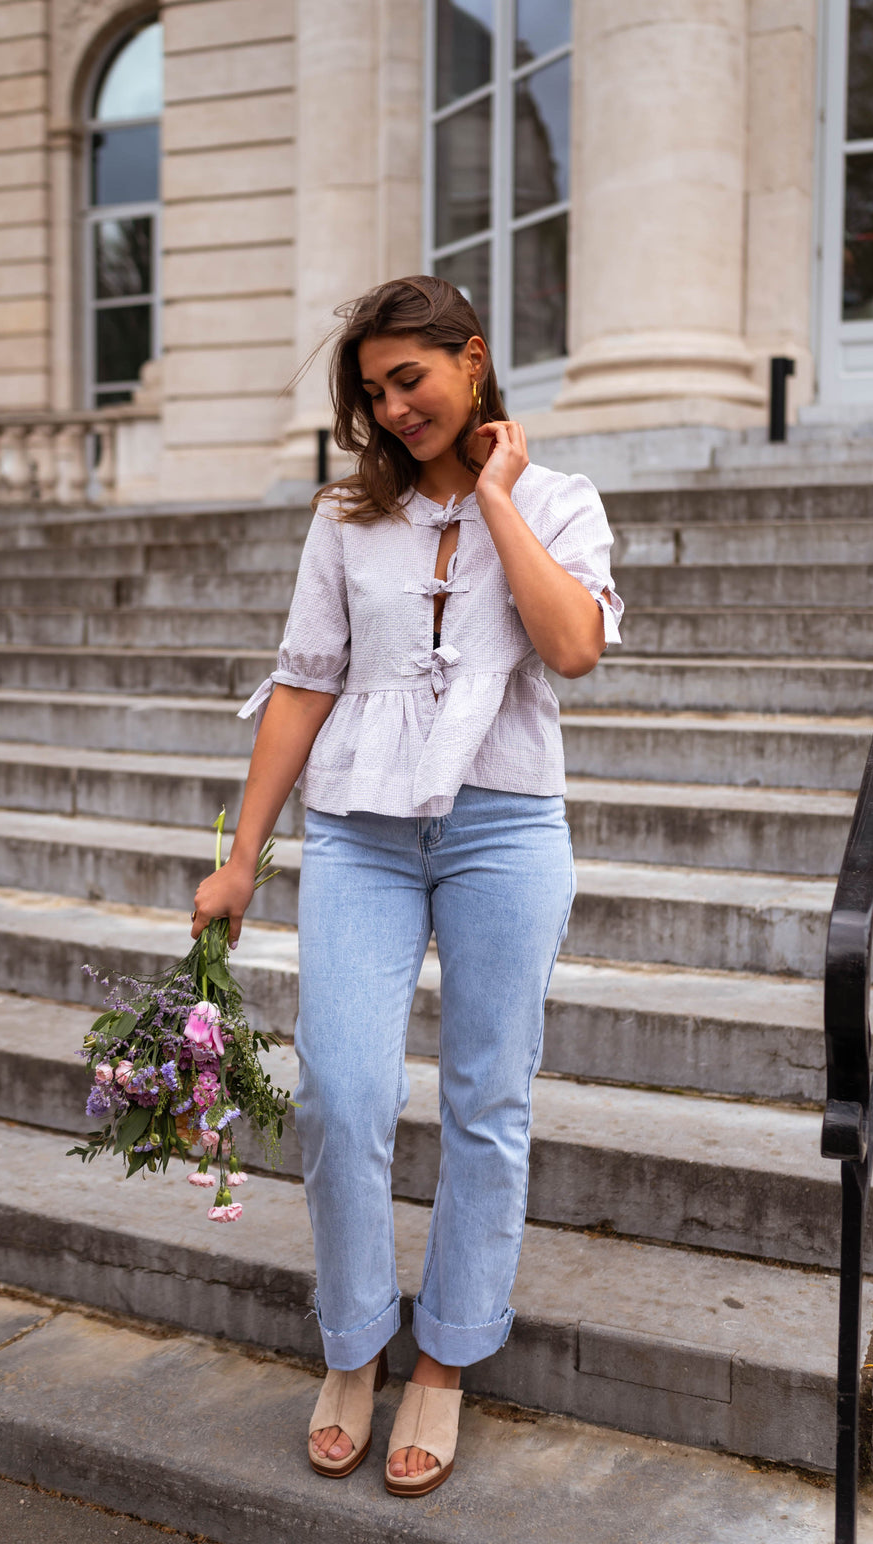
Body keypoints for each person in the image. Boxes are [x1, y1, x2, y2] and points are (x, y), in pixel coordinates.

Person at [190, 275, 623, 1497]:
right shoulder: (344, 517)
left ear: (471, 362)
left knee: (488, 1094)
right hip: (361, 832)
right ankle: (352, 1342)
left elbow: (574, 644)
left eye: (408, 380)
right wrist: (242, 857)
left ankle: (444, 1356)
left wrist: (491, 500)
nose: (391, 407)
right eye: (372, 391)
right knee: (340, 1088)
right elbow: (303, 681)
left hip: (503, 825)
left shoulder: (555, 500)